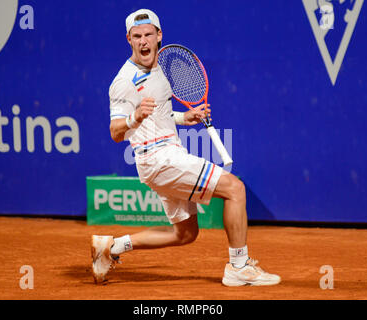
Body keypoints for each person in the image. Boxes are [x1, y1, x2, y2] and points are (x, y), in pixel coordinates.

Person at [91, 8, 280, 287]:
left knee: (185, 233)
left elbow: (161, 114)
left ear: (159, 36)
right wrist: (135, 117)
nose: (143, 42)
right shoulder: (123, 82)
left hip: (168, 154)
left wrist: (184, 117)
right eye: (136, 36)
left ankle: (112, 247)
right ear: (129, 40)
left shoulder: (160, 69)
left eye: (148, 35)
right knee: (235, 189)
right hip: (158, 159)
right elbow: (116, 132)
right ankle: (239, 266)